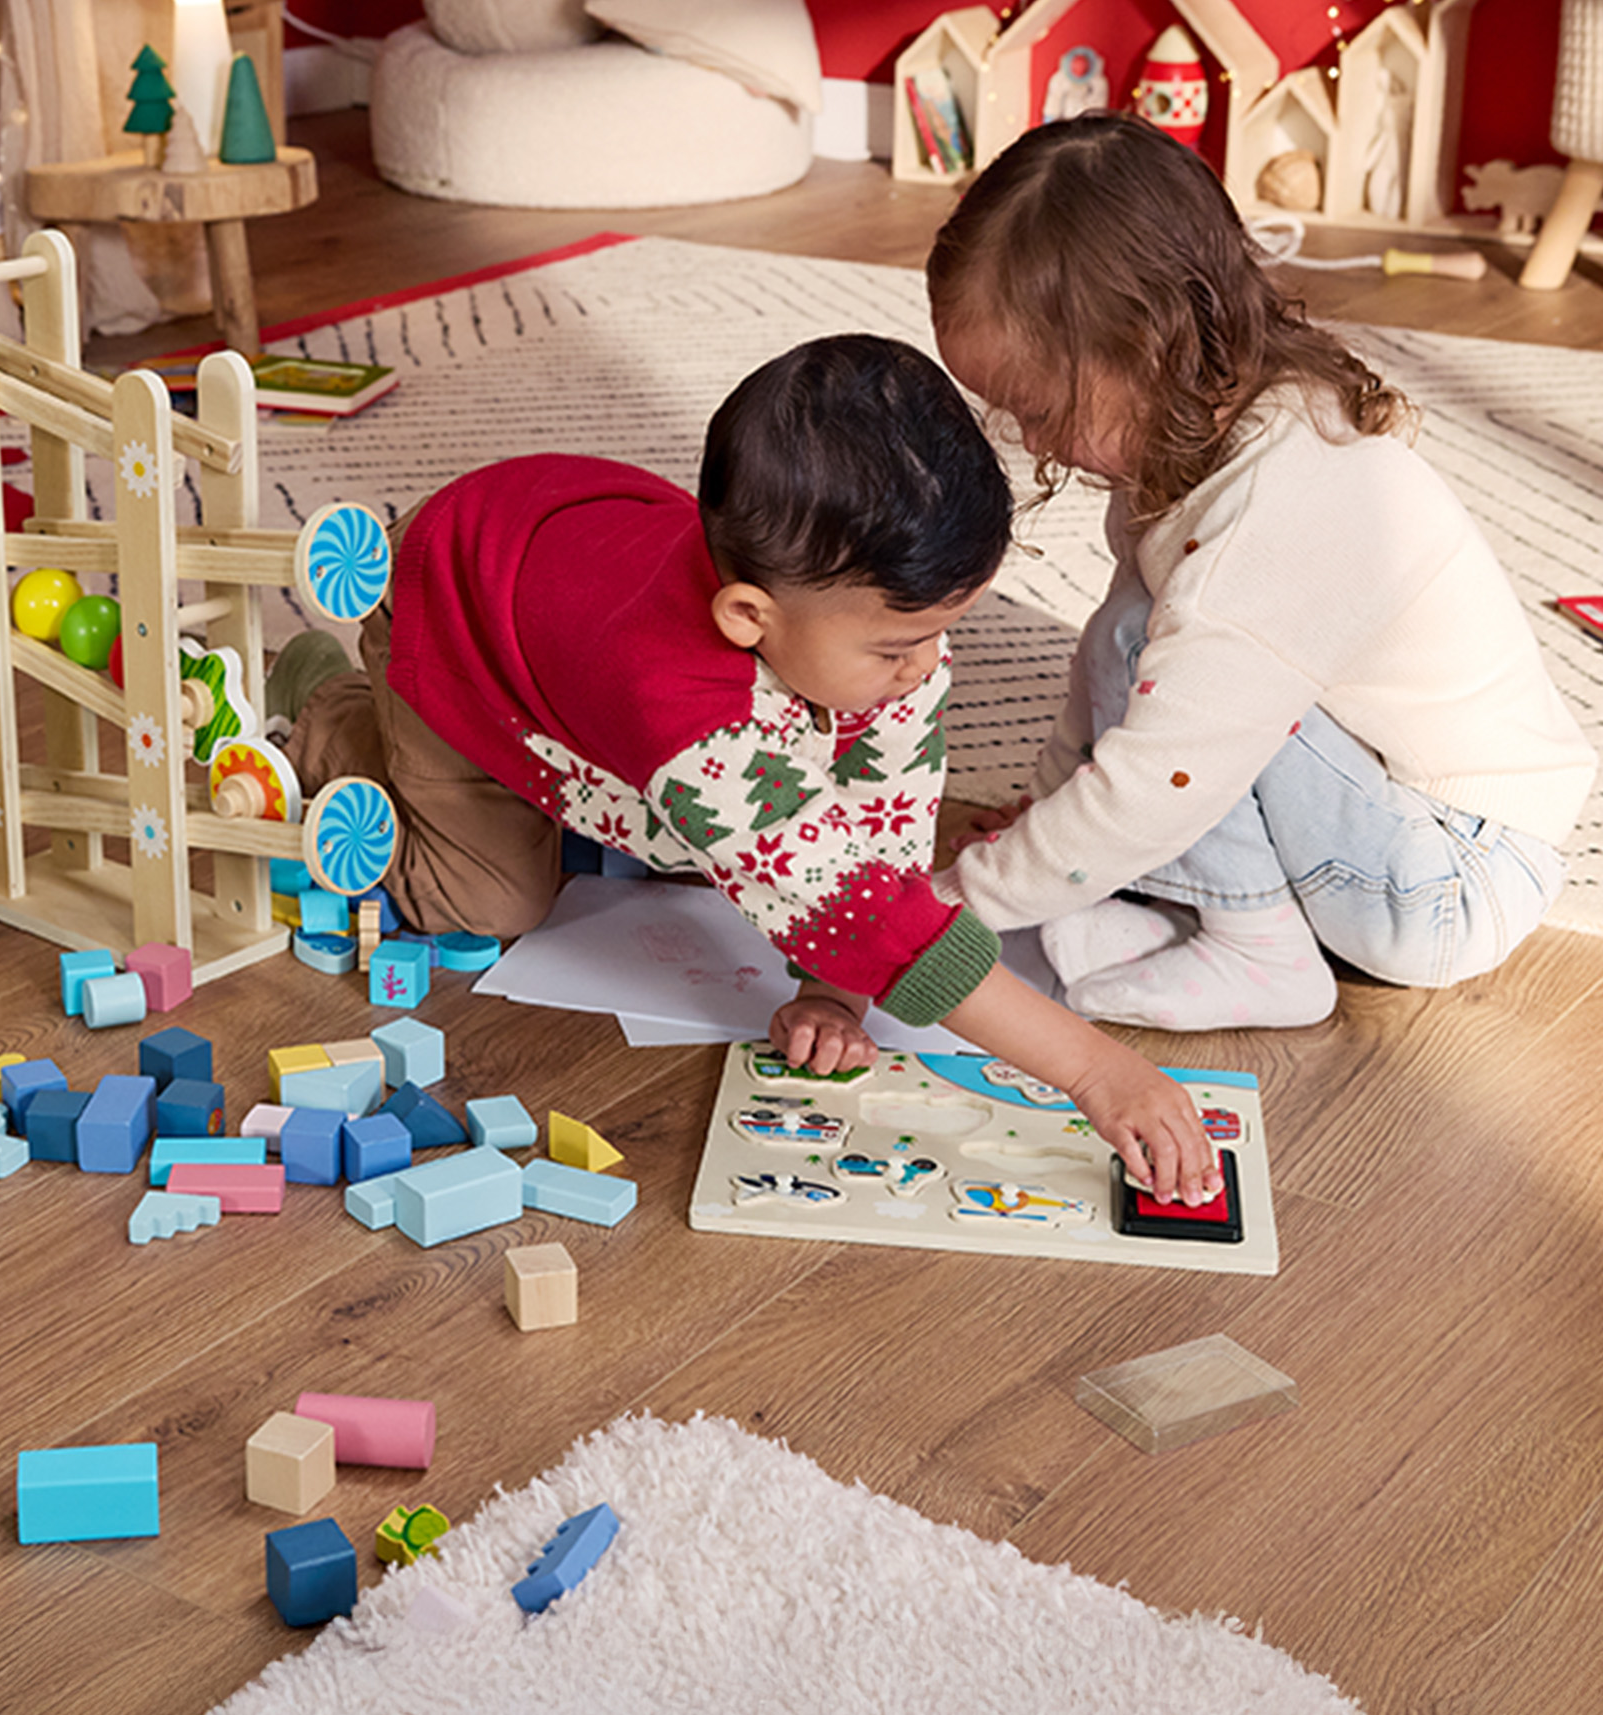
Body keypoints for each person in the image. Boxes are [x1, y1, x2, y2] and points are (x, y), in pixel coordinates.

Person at [274, 333, 1217, 1200]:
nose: (927, 667)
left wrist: (831, 988)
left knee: (730, 835)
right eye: (900, 646)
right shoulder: (692, 720)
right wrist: (1096, 1070)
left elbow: (878, 838)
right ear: (747, 620)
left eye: (941, 633)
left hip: (569, 558)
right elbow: (861, 905)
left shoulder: (883, 633)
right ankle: (328, 701)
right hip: (456, 624)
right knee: (490, 901)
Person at [927, 115, 1596, 1031]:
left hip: (1447, 878)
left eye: (1040, 410)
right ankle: (1205, 916)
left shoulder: (1279, 510)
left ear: (1148, 345)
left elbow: (1164, 774)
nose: (1033, 442)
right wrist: (1044, 807)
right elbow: (1104, 652)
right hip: (1386, 825)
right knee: (1144, 640)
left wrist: (952, 910)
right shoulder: (1195, 431)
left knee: (1176, 688)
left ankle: (1258, 951)